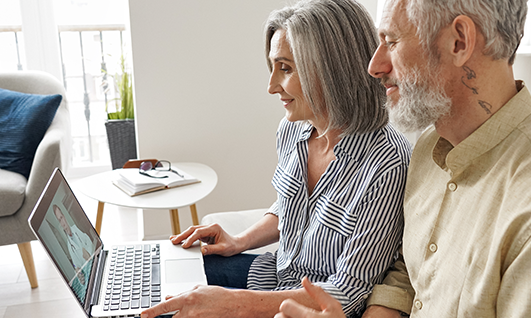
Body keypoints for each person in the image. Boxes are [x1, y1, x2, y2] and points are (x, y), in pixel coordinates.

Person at [140, 1, 411, 317]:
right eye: (272, 67)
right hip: (272, 278)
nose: (271, 87)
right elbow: (289, 205)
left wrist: (232, 305)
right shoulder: (292, 131)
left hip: (311, 309)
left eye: (285, 68)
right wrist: (239, 241)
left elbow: (347, 294)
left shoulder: (387, 163)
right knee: (162, 280)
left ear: (332, 69)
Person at [274, 0, 531, 317]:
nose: (374, 66)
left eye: (391, 42)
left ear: (459, 42)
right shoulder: (427, 148)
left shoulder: (523, 215)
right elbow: (409, 275)